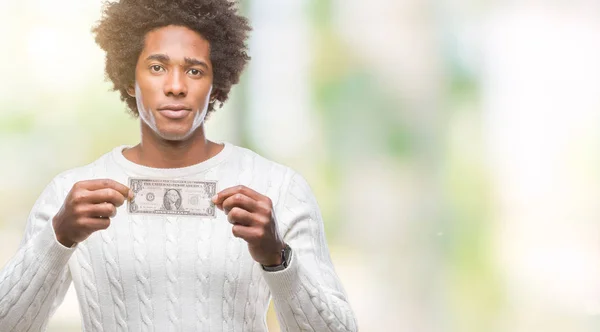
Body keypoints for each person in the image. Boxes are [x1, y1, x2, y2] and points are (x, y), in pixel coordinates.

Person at [0, 0, 357, 331]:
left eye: (195, 70)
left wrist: (278, 258)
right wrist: (57, 238)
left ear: (216, 84)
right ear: (129, 78)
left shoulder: (278, 188)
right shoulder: (71, 196)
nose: (175, 86)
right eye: (157, 67)